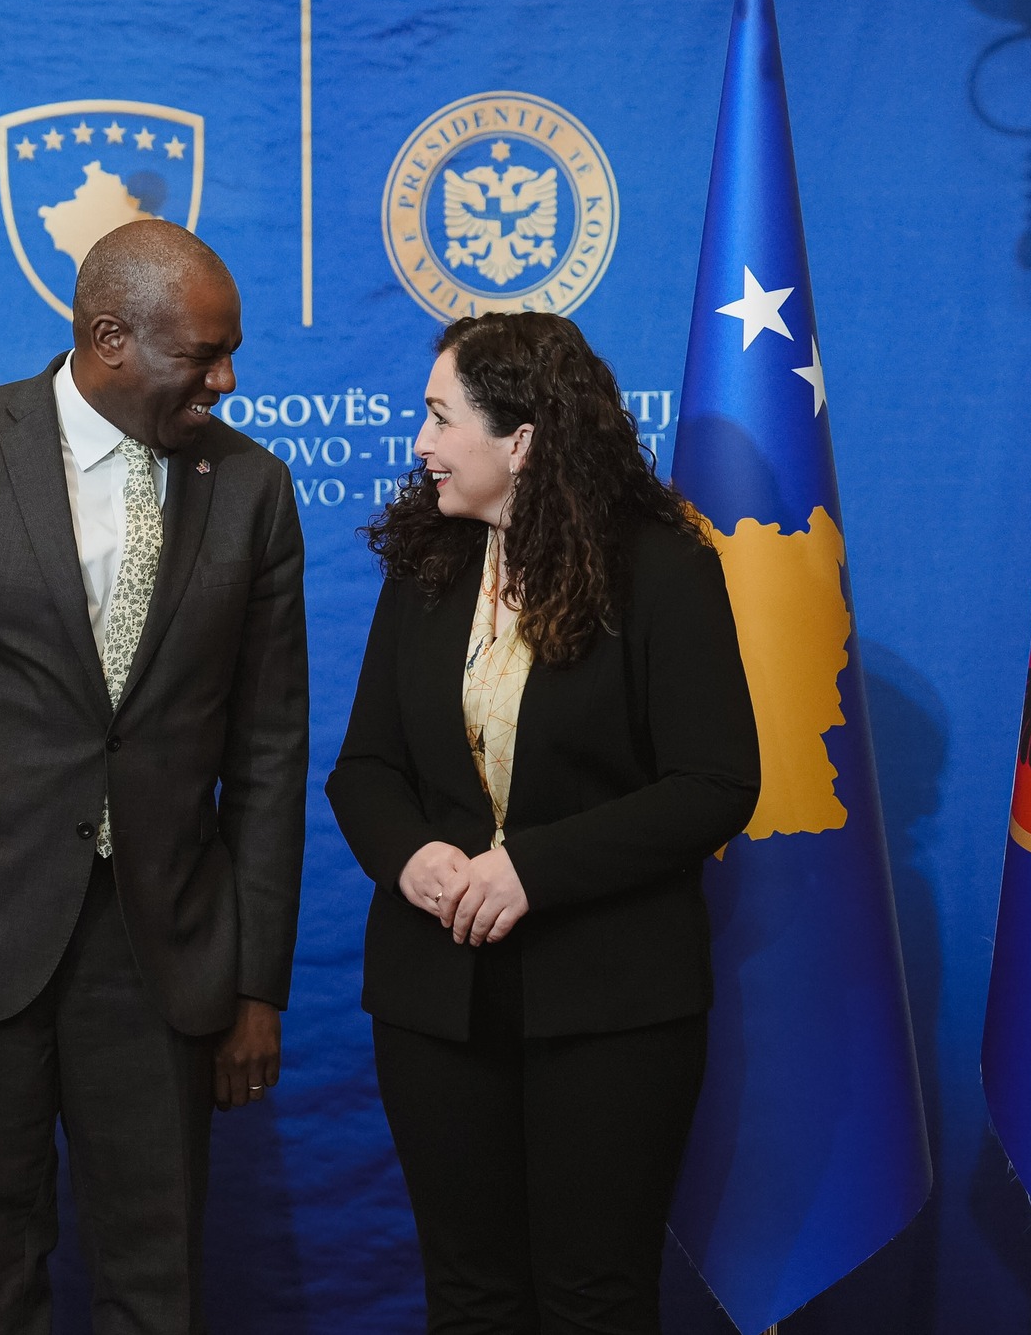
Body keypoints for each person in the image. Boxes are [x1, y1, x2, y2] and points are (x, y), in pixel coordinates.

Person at [0, 221, 307, 1335]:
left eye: (231, 354)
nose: (225, 382)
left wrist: (255, 986)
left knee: (158, 1280)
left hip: (161, 948)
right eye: (203, 356)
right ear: (110, 338)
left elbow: (269, 756)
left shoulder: (252, 488)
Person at [326, 312, 760, 1335]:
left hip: (610, 1001)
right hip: (435, 998)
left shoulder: (662, 569)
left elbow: (713, 784)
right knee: (470, 1296)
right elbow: (365, 768)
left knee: (590, 1299)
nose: (422, 443)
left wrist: (530, 869)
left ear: (520, 439)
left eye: (441, 418)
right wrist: (411, 857)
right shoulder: (427, 568)